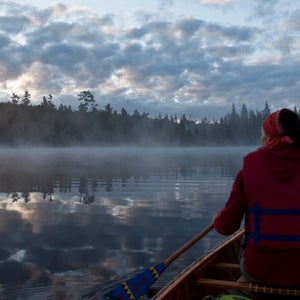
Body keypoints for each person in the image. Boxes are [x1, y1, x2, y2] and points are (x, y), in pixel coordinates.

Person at [213, 108, 300, 288]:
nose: (261, 138)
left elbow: (227, 227)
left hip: (259, 271)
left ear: (269, 137)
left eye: (263, 133)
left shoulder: (247, 171)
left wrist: (217, 220)